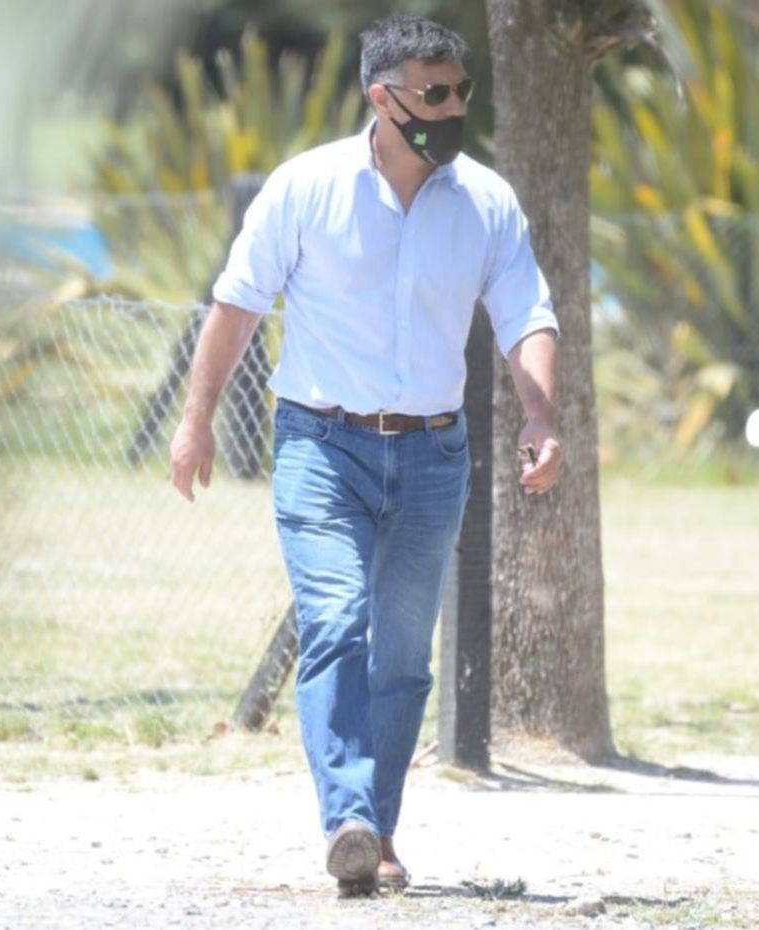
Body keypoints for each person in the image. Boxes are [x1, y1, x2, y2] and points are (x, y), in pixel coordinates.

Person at [169, 14, 561, 893]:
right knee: (338, 619)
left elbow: (527, 315)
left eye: (461, 91)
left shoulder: (486, 202)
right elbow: (235, 306)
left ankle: (374, 835)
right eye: (435, 93)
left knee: (404, 658)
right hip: (321, 444)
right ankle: (347, 814)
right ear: (381, 98)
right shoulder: (305, 188)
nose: (454, 107)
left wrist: (541, 416)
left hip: (433, 455)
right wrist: (195, 421)